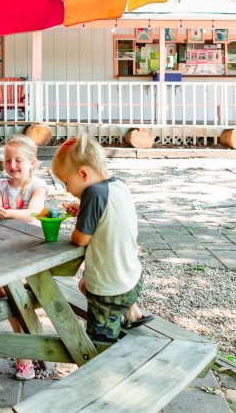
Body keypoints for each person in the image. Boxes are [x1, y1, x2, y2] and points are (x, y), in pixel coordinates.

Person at [53, 135, 149, 345]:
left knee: (99, 343)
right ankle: (132, 313)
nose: (66, 189)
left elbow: (80, 239)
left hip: (109, 293)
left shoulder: (93, 194)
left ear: (83, 174)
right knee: (83, 285)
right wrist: (85, 210)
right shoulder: (118, 186)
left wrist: (82, 218)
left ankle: (107, 364)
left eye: (66, 182)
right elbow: (111, 215)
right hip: (133, 279)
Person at [0, 135, 47, 380]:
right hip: (0, 248)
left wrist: (7, 211)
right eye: (7, 160)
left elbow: (34, 212)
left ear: (32, 163)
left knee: (11, 295)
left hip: (28, 252)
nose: (12, 165)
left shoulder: (38, 186)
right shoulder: (0, 185)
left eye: (18, 161)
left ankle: (20, 355)